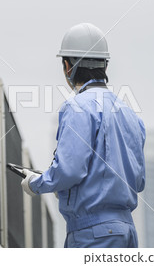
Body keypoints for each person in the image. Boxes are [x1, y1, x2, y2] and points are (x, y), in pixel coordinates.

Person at [21, 23, 146, 248]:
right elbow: (138, 180)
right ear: (105, 65)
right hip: (126, 233)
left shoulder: (77, 108)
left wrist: (36, 183)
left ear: (68, 66)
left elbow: (69, 170)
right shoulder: (130, 114)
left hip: (92, 234)